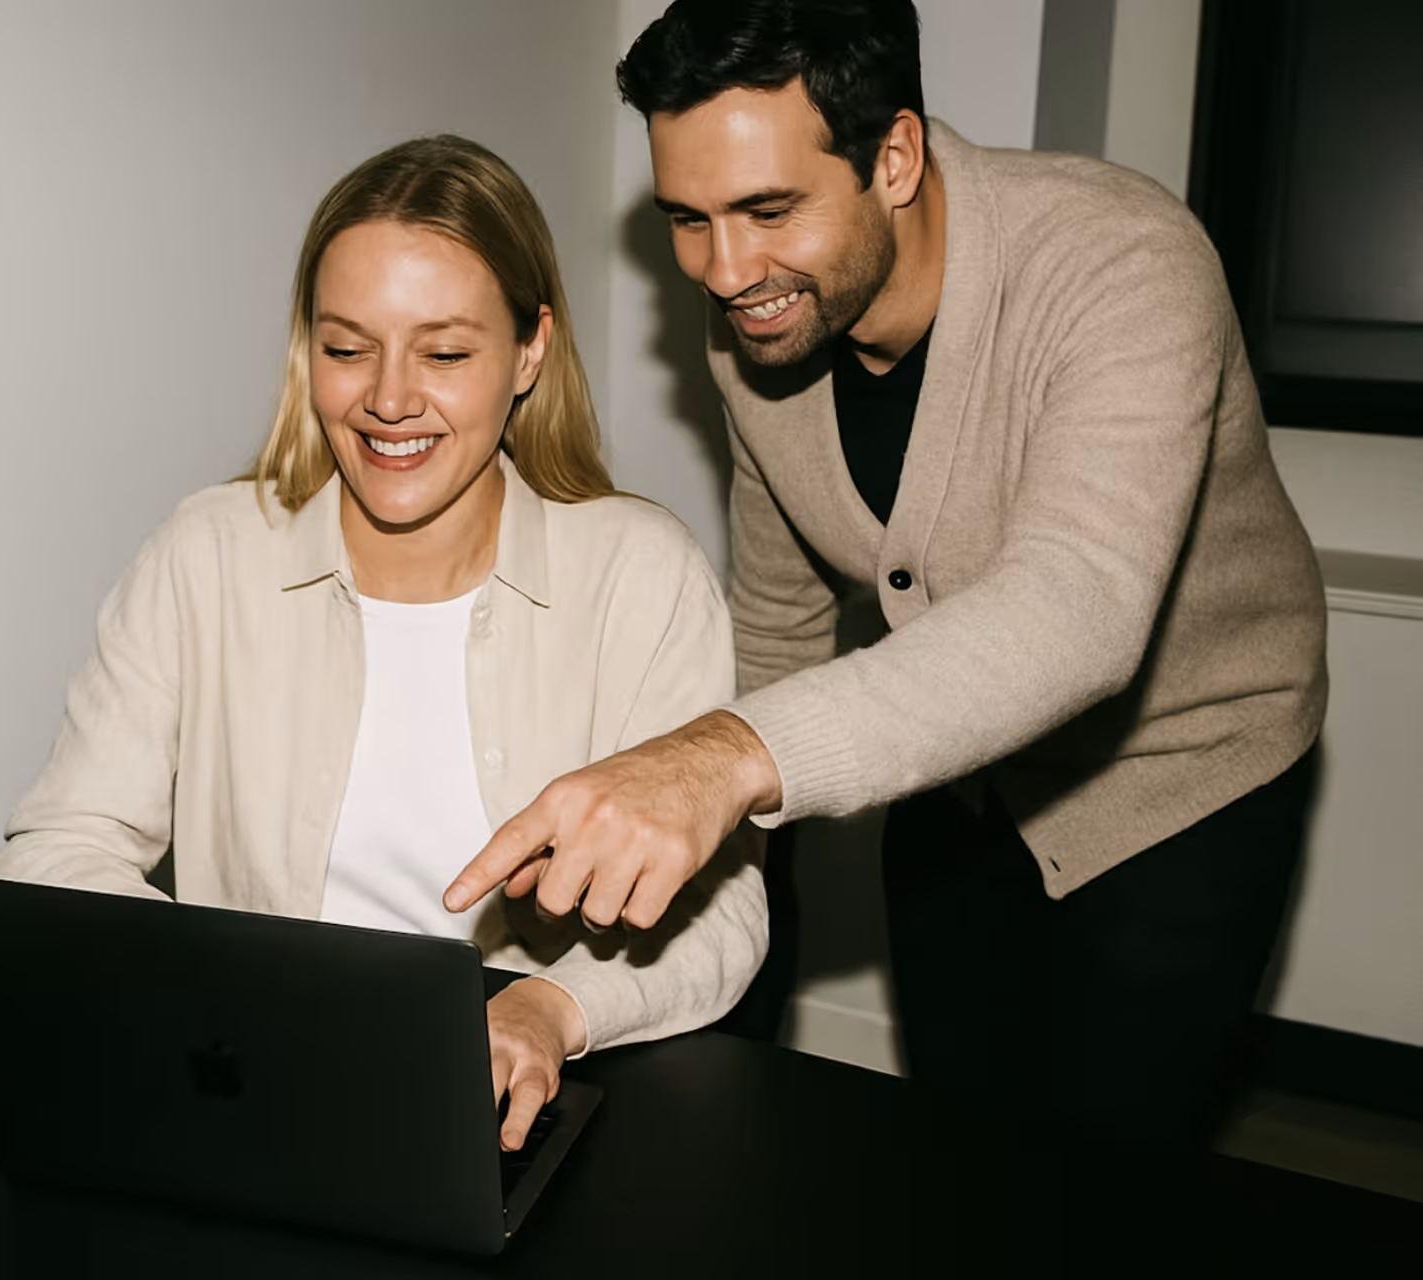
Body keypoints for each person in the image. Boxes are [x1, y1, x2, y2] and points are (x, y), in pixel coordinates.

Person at [446, 0, 1325, 1215]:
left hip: (1179, 780)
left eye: (766, 210)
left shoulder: (1125, 261)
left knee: (1105, 1186)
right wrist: (704, 888)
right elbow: (777, 616)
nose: (723, 271)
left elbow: (1076, 609)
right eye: (687, 222)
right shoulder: (756, 324)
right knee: (954, 1150)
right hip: (954, 775)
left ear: (895, 156)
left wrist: (719, 760)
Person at [0, 134, 767, 1152]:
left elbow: (721, 916)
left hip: (523, 1109)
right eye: (346, 346)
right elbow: (59, 845)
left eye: (444, 352)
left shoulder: (641, 573)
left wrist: (548, 1005)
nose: (387, 399)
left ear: (530, 349)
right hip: (250, 1094)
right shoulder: (205, 552)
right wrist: (206, 992)